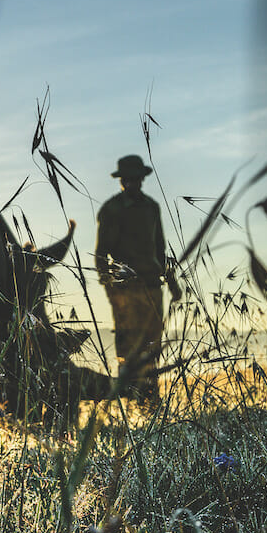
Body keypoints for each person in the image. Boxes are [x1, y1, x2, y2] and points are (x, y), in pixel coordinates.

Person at [95, 154, 180, 405]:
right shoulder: (110, 210)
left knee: (153, 346)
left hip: (153, 287)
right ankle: (129, 400)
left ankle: (151, 402)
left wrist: (172, 282)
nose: (131, 184)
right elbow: (101, 254)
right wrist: (109, 286)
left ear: (141, 179)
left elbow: (160, 249)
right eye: (127, 180)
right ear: (121, 181)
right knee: (128, 347)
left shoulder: (152, 208)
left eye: (135, 179)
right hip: (125, 290)